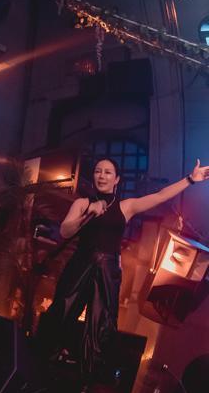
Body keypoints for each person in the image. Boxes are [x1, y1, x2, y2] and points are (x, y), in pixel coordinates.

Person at [38, 157, 209, 378]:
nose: (102, 176)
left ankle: (86, 384)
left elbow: (160, 196)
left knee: (102, 326)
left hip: (108, 270)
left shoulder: (126, 207)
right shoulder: (82, 204)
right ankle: (42, 368)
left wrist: (190, 180)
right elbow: (65, 231)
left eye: (107, 172)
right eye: (98, 171)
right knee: (61, 312)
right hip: (80, 265)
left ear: (117, 179)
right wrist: (89, 214)